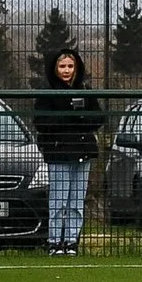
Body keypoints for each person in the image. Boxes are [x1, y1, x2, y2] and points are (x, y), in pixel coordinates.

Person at [30, 46, 104, 255]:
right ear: (55, 68)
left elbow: (97, 118)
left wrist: (79, 117)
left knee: (76, 202)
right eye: (62, 66)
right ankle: (55, 242)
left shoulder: (85, 91)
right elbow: (42, 122)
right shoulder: (47, 93)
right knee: (59, 201)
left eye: (70, 66)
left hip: (83, 152)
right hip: (59, 154)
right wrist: (70, 116)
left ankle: (71, 241)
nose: (66, 70)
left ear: (76, 68)